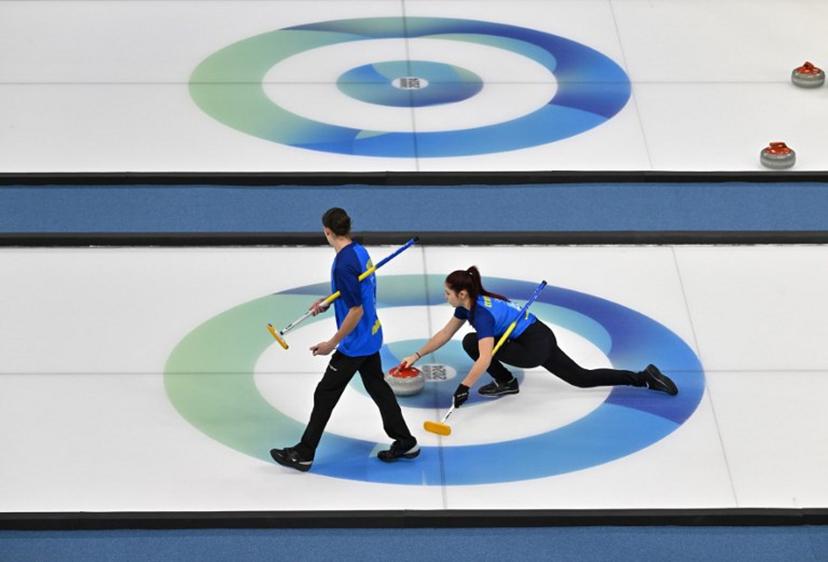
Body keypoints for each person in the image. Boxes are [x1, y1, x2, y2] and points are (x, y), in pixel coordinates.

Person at [401, 266, 678, 410]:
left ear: (462, 294)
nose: (445, 296)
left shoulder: (482, 316)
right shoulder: (469, 304)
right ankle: (644, 377)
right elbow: (445, 333)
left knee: (474, 344)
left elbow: (485, 358)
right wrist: (416, 355)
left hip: (532, 347)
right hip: (535, 334)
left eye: (447, 293)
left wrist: (464, 386)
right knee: (581, 378)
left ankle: (507, 382)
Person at [270, 208, 418, 472]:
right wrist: (329, 300)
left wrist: (332, 342)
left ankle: (304, 453)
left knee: (325, 393)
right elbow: (357, 290)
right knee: (377, 387)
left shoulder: (342, 264)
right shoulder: (359, 251)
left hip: (355, 343)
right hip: (371, 334)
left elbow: (356, 309)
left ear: (327, 231)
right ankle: (405, 441)